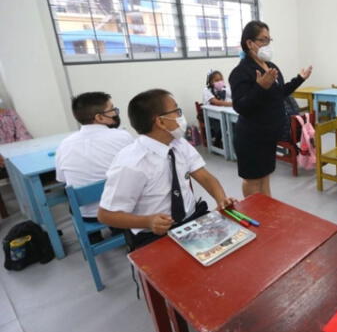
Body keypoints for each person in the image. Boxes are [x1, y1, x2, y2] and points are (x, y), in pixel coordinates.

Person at [97, 89, 236, 249]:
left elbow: (205, 177)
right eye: (177, 111)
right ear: (161, 122)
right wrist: (147, 221)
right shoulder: (131, 163)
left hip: (192, 219)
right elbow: (105, 215)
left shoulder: (179, 144)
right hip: (154, 234)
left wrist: (221, 199)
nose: (180, 116)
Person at [229, 20, 312, 197]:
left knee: (265, 177)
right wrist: (260, 87)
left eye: (269, 40)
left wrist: (299, 79)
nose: (267, 44)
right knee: (253, 180)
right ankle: (254, 216)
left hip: (268, 135)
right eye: (263, 40)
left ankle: (265, 217)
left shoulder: (272, 67)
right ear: (250, 43)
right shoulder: (241, 72)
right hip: (251, 138)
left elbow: (280, 93)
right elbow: (241, 106)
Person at [55, 92, 133, 244]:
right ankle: (118, 228)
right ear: (99, 117)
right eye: (112, 109)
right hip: (121, 209)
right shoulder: (122, 136)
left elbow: (62, 180)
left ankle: (94, 238)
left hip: (86, 215)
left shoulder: (64, 145)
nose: (115, 113)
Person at [202, 70, 233, 148]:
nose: (220, 82)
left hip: (224, 114)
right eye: (216, 80)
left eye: (221, 79)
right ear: (211, 82)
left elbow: (234, 95)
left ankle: (233, 144)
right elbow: (216, 102)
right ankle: (217, 142)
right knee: (222, 126)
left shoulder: (225, 89)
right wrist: (232, 104)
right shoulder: (206, 90)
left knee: (235, 123)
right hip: (212, 116)